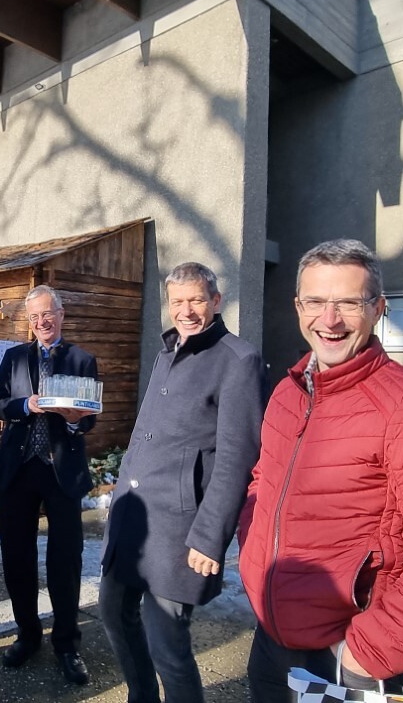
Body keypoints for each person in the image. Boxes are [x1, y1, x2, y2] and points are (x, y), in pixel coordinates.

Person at [238, 239, 403, 700]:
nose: (329, 319)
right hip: (272, 640)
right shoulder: (288, 393)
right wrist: (254, 562)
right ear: (298, 307)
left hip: (350, 657)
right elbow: (263, 481)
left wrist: (366, 654)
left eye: (348, 303)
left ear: (378, 309)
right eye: (315, 301)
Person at [99, 262, 268, 703]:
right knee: (113, 613)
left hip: (180, 527)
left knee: (167, 647)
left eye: (196, 300)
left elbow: (237, 458)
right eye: (177, 302)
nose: (186, 311)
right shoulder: (167, 352)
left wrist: (210, 538)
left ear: (216, 300)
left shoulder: (239, 360)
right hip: (134, 519)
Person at [0, 284, 99, 685]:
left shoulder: (82, 359)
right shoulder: (15, 357)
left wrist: (73, 419)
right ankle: (28, 634)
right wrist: (25, 405)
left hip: (61, 470)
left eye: (47, 314)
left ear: (61, 314)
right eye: (34, 317)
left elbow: (89, 416)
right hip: (18, 469)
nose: (42, 322)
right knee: (17, 557)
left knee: (65, 561)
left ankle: (67, 644)